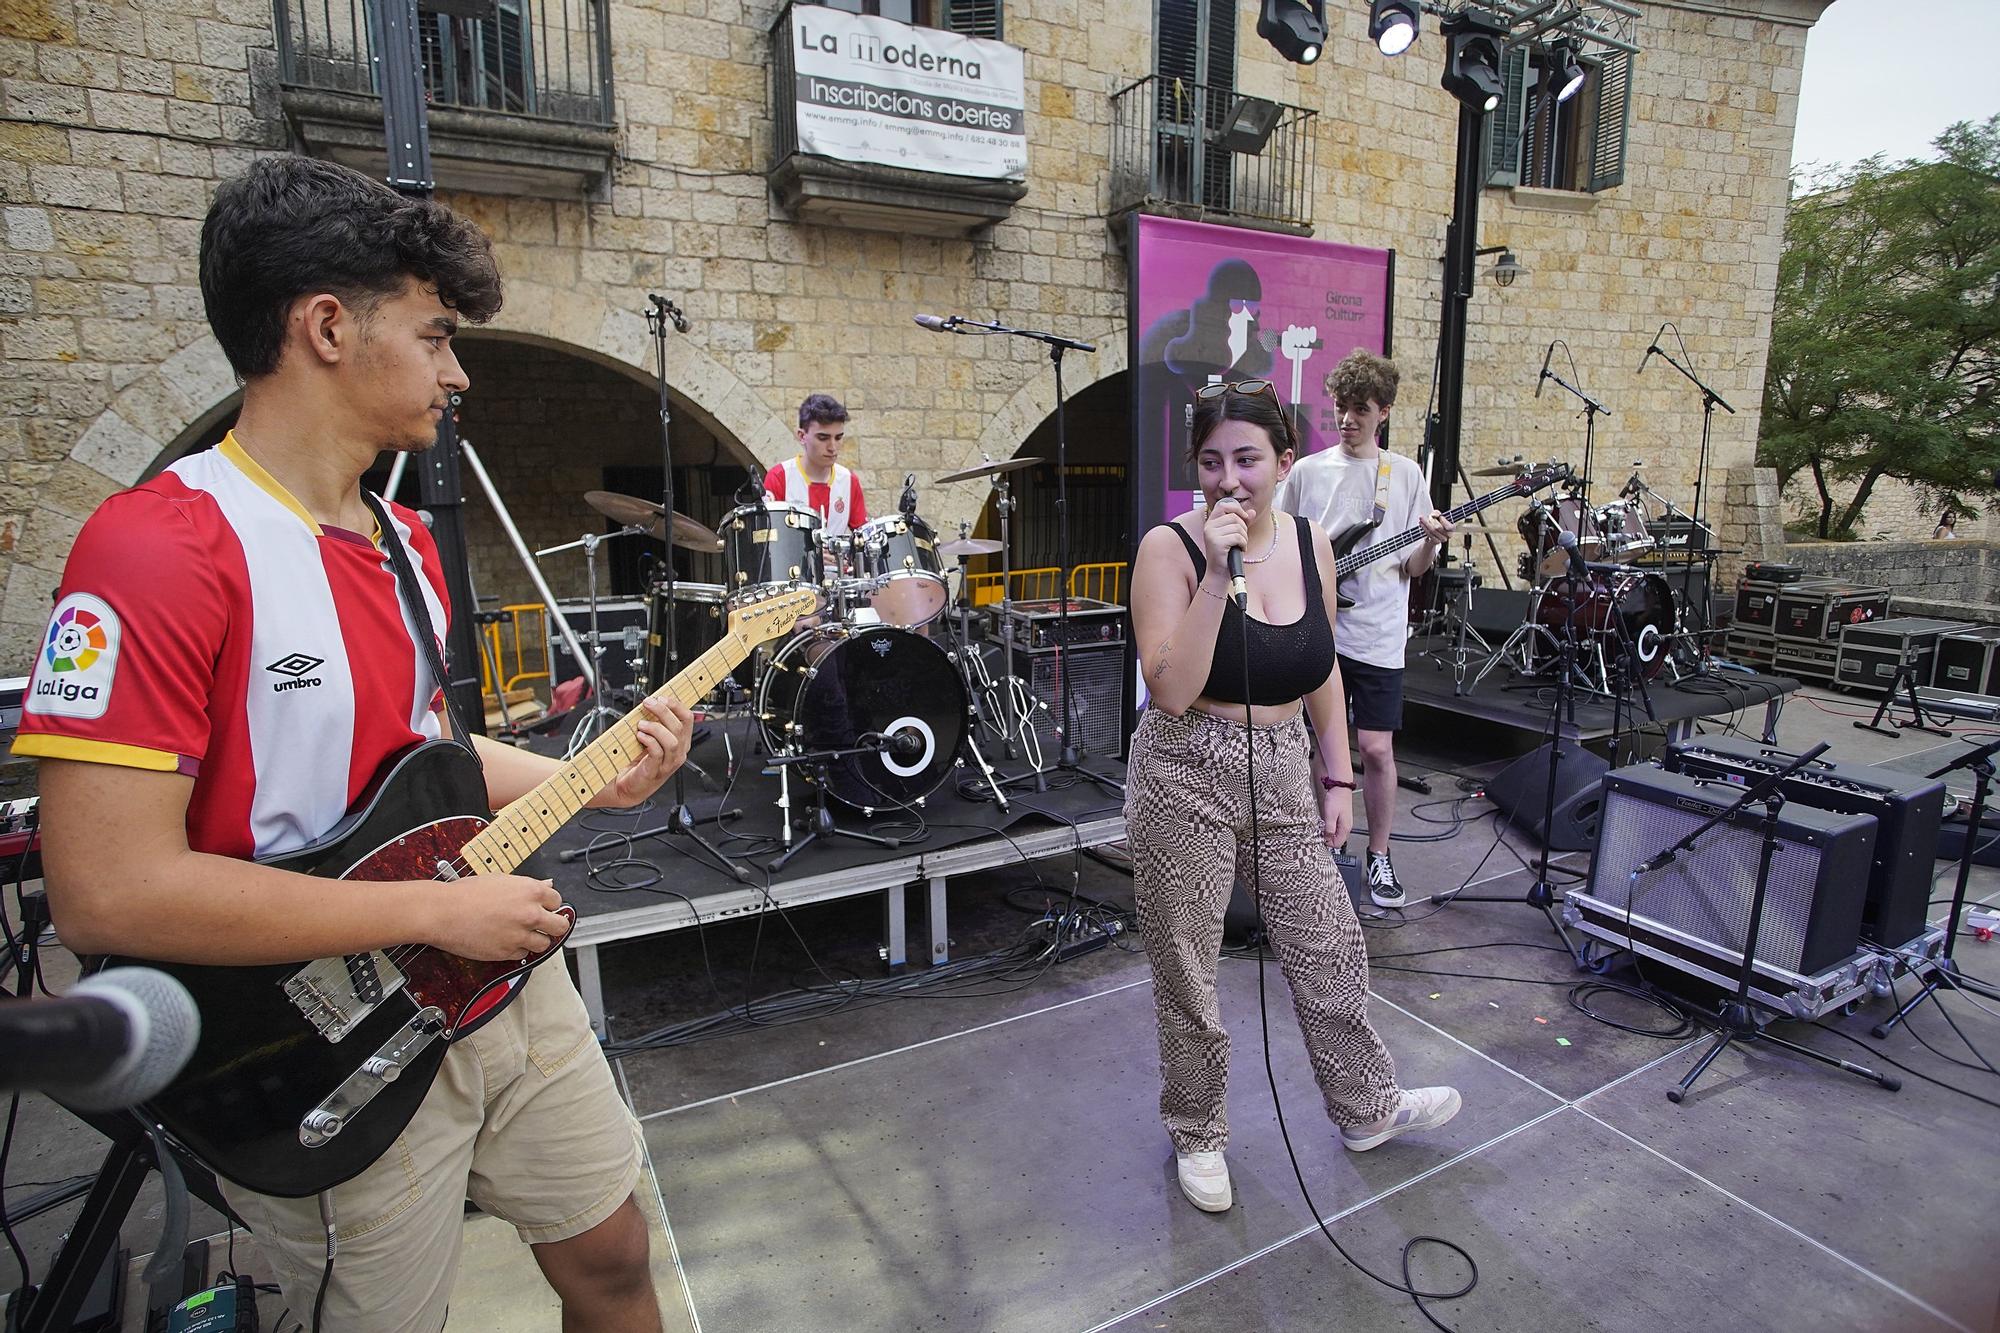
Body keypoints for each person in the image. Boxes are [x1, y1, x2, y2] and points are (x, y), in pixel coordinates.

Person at [13, 155, 691, 1332]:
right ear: (326, 326)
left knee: (615, 1256)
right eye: (433, 334)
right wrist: (428, 915)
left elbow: (425, 764)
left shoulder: (406, 543)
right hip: (320, 1043)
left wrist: (599, 777)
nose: (456, 369)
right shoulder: (159, 546)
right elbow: (106, 892)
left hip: (492, 984)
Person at [1126, 378, 1461, 1215]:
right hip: (1184, 764)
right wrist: (1215, 572)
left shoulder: (1312, 542)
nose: (1228, 479)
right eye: (1210, 462)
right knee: (1190, 965)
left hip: (1281, 764)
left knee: (1330, 941)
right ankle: (1198, 1131)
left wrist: (1338, 773)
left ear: (1282, 462)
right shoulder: (1168, 548)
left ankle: (1366, 1107)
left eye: (1246, 459)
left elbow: (1324, 667)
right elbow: (1170, 689)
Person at [1276, 349, 1452, 909]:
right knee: (1314, 748)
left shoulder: (1403, 475)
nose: (1348, 419)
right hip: (1320, 632)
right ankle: (1315, 850)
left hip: (1378, 634)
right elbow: (1281, 542)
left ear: (1385, 413)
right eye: (1342, 407)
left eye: (1361, 409)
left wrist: (1429, 540)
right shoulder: (1307, 472)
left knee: (1375, 749)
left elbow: (1414, 569)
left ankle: (1378, 855)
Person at [764, 393, 867, 537]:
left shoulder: (849, 481)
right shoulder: (779, 477)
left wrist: (845, 558)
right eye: (823, 438)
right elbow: (770, 541)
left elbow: (862, 541)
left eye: (838, 438)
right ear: (801, 436)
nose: (832, 447)